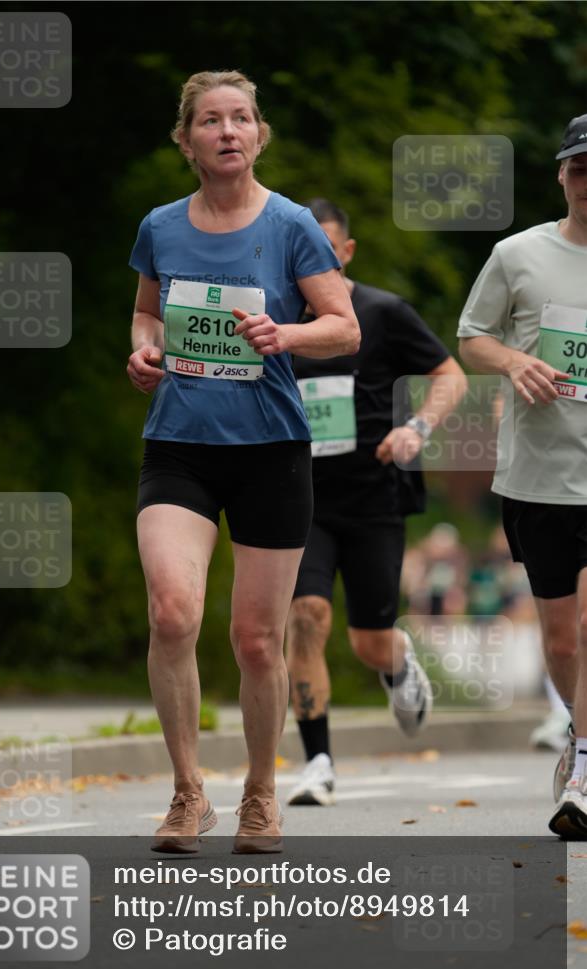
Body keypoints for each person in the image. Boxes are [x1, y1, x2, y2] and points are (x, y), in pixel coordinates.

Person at [126, 74, 359, 852]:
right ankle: (188, 793)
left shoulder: (292, 225)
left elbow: (344, 327)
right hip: (180, 446)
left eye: (241, 118)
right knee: (171, 612)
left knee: (257, 640)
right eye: (210, 121)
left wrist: (283, 337)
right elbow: (146, 311)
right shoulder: (160, 225)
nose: (227, 131)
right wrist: (143, 351)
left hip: (271, 451)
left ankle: (260, 795)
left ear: (258, 135)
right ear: (185, 139)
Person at [286, 199, 467, 806]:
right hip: (299, 500)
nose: (316, 259)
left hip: (375, 497)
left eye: (327, 248)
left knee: (368, 638)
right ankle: (317, 761)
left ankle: (395, 663)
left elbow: (451, 375)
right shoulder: (273, 318)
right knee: (305, 617)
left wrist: (417, 427)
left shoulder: (383, 312)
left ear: (346, 251)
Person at [458, 114, 587, 839]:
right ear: (561, 175)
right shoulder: (517, 254)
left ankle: (584, 769)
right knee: (562, 640)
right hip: (538, 475)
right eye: (579, 168)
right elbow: (470, 337)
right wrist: (513, 361)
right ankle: (578, 730)